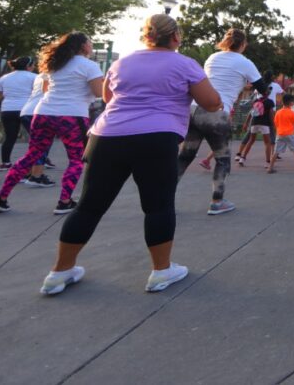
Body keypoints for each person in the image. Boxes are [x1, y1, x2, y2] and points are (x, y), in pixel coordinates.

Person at [38, 15, 222, 295]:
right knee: (158, 206)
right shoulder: (185, 64)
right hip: (156, 138)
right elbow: (211, 103)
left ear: (146, 36)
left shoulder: (121, 62)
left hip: (107, 137)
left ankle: (59, 272)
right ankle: (161, 272)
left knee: (89, 205)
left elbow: (109, 99)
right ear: (175, 37)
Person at [0, 32, 103, 215]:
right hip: (71, 115)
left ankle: (1, 198)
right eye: (90, 42)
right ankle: (64, 201)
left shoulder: (55, 64)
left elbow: (46, 89)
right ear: (83, 46)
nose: (91, 45)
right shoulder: (89, 66)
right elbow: (98, 92)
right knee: (75, 159)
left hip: (43, 113)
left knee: (32, 155)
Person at [176, 28, 270, 216]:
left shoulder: (212, 58)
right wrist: (249, 85)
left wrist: (239, 84)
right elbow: (263, 89)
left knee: (185, 156)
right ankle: (217, 201)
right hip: (217, 113)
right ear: (243, 44)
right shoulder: (245, 62)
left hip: (195, 110)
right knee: (222, 159)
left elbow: (212, 81)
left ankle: (164, 197)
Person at [0, 56, 37, 171]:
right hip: (27, 110)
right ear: (28, 66)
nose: (34, 67)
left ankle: (5, 162)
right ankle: (39, 161)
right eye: (33, 65)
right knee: (36, 137)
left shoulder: (4, 78)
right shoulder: (34, 77)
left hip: (8, 110)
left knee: (10, 137)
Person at [238, 87, 275, 167]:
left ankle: (242, 158)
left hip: (254, 122)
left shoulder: (256, 101)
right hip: (265, 124)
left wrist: (246, 123)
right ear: (268, 94)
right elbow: (271, 114)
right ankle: (267, 162)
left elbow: (251, 113)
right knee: (267, 143)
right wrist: (273, 124)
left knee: (251, 141)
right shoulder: (270, 102)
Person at [273, 94, 294, 173]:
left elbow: (275, 123)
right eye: (293, 101)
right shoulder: (292, 113)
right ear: (290, 102)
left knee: (276, 151)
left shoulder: (278, 112)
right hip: (290, 134)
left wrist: (278, 131)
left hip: (280, 134)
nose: (293, 102)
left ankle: (270, 167)